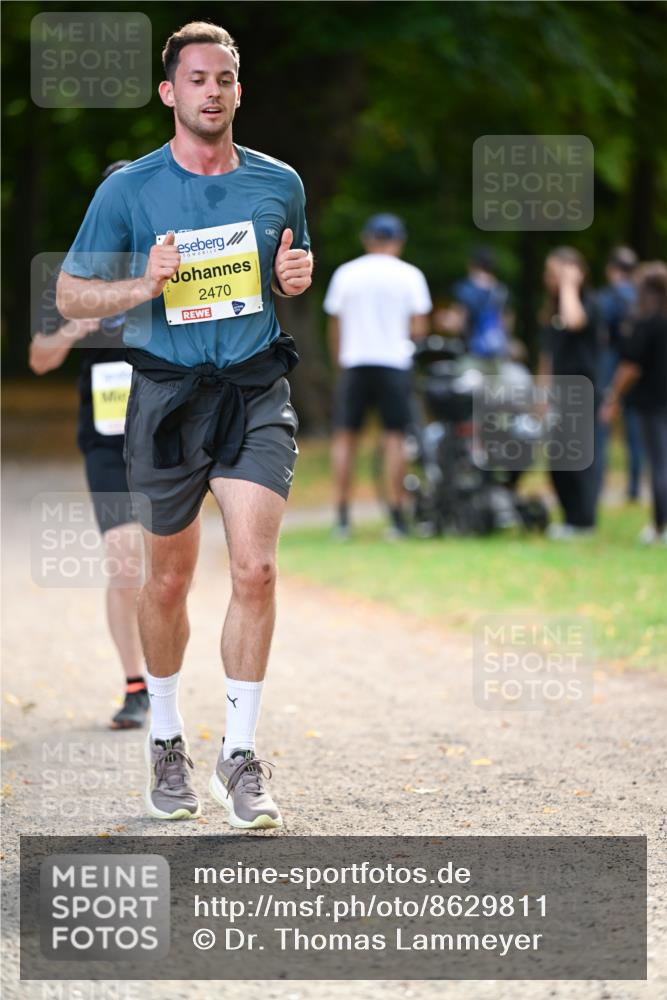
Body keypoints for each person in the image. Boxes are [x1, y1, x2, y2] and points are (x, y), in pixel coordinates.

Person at [56, 22, 313, 828]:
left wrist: (294, 276)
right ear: (170, 92)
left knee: (255, 570)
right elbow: (69, 295)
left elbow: (289, 271)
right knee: (166, 581)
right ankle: (166, 738)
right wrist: (142, 283)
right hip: (166, 399)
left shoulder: (279, 182)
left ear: (239, 90)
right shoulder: (128, 190)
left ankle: (239, 754)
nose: (212, 91)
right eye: (197, 79)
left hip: (253, 389)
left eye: (224, 79)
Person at [29, 161, 150, 731]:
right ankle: (135, 685)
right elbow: (39, 359)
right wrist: (79, 323)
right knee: (125, 559)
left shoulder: (170, 266)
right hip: (106, 439)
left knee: (165, 567)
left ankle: (166, 677)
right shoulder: (75, 275)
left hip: (164, 434)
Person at [323, 213, 432, 539]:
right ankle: (397, 517)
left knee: (345, 438)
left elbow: (335, 325)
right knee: (395, 438)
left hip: (355, 362)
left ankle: (342, 518)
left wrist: (340, 363)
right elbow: (419, 328)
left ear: (367, 239)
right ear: (399, 241)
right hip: (394, 363)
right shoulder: (410, 275)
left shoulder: (346, 273)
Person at [537, 247, 601, 539]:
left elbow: (575, 320)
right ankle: (570, 519)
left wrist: (568, 285)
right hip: (560, 393)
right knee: (558, 460)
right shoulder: (552, 310)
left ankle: (583, 521)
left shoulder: (588, 304)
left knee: (578, 459)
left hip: (582, 391)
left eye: (555, 274)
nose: (549, 279)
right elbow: (547, 355)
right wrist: (542, 393)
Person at [601, 262, 667, 545]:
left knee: (660, 463)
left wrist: (613, 395)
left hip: (652, 402)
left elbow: (630, 366)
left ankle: (660, 526)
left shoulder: (647, 322)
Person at [595, 246, 642, 502]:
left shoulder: (606, 297)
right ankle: (634, 486)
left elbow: (600, 335)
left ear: (611, 268)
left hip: (611, 363)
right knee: (635, 428)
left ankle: (599, 483)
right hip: (636, 367)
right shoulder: (640, 296)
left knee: (603, 422)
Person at [446, 246, 511, 361]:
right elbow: (506, 325)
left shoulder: (464, 289)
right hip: (497, 355)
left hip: (470, 353)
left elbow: (457, 324)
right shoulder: (502, 290)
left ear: (471, 264)